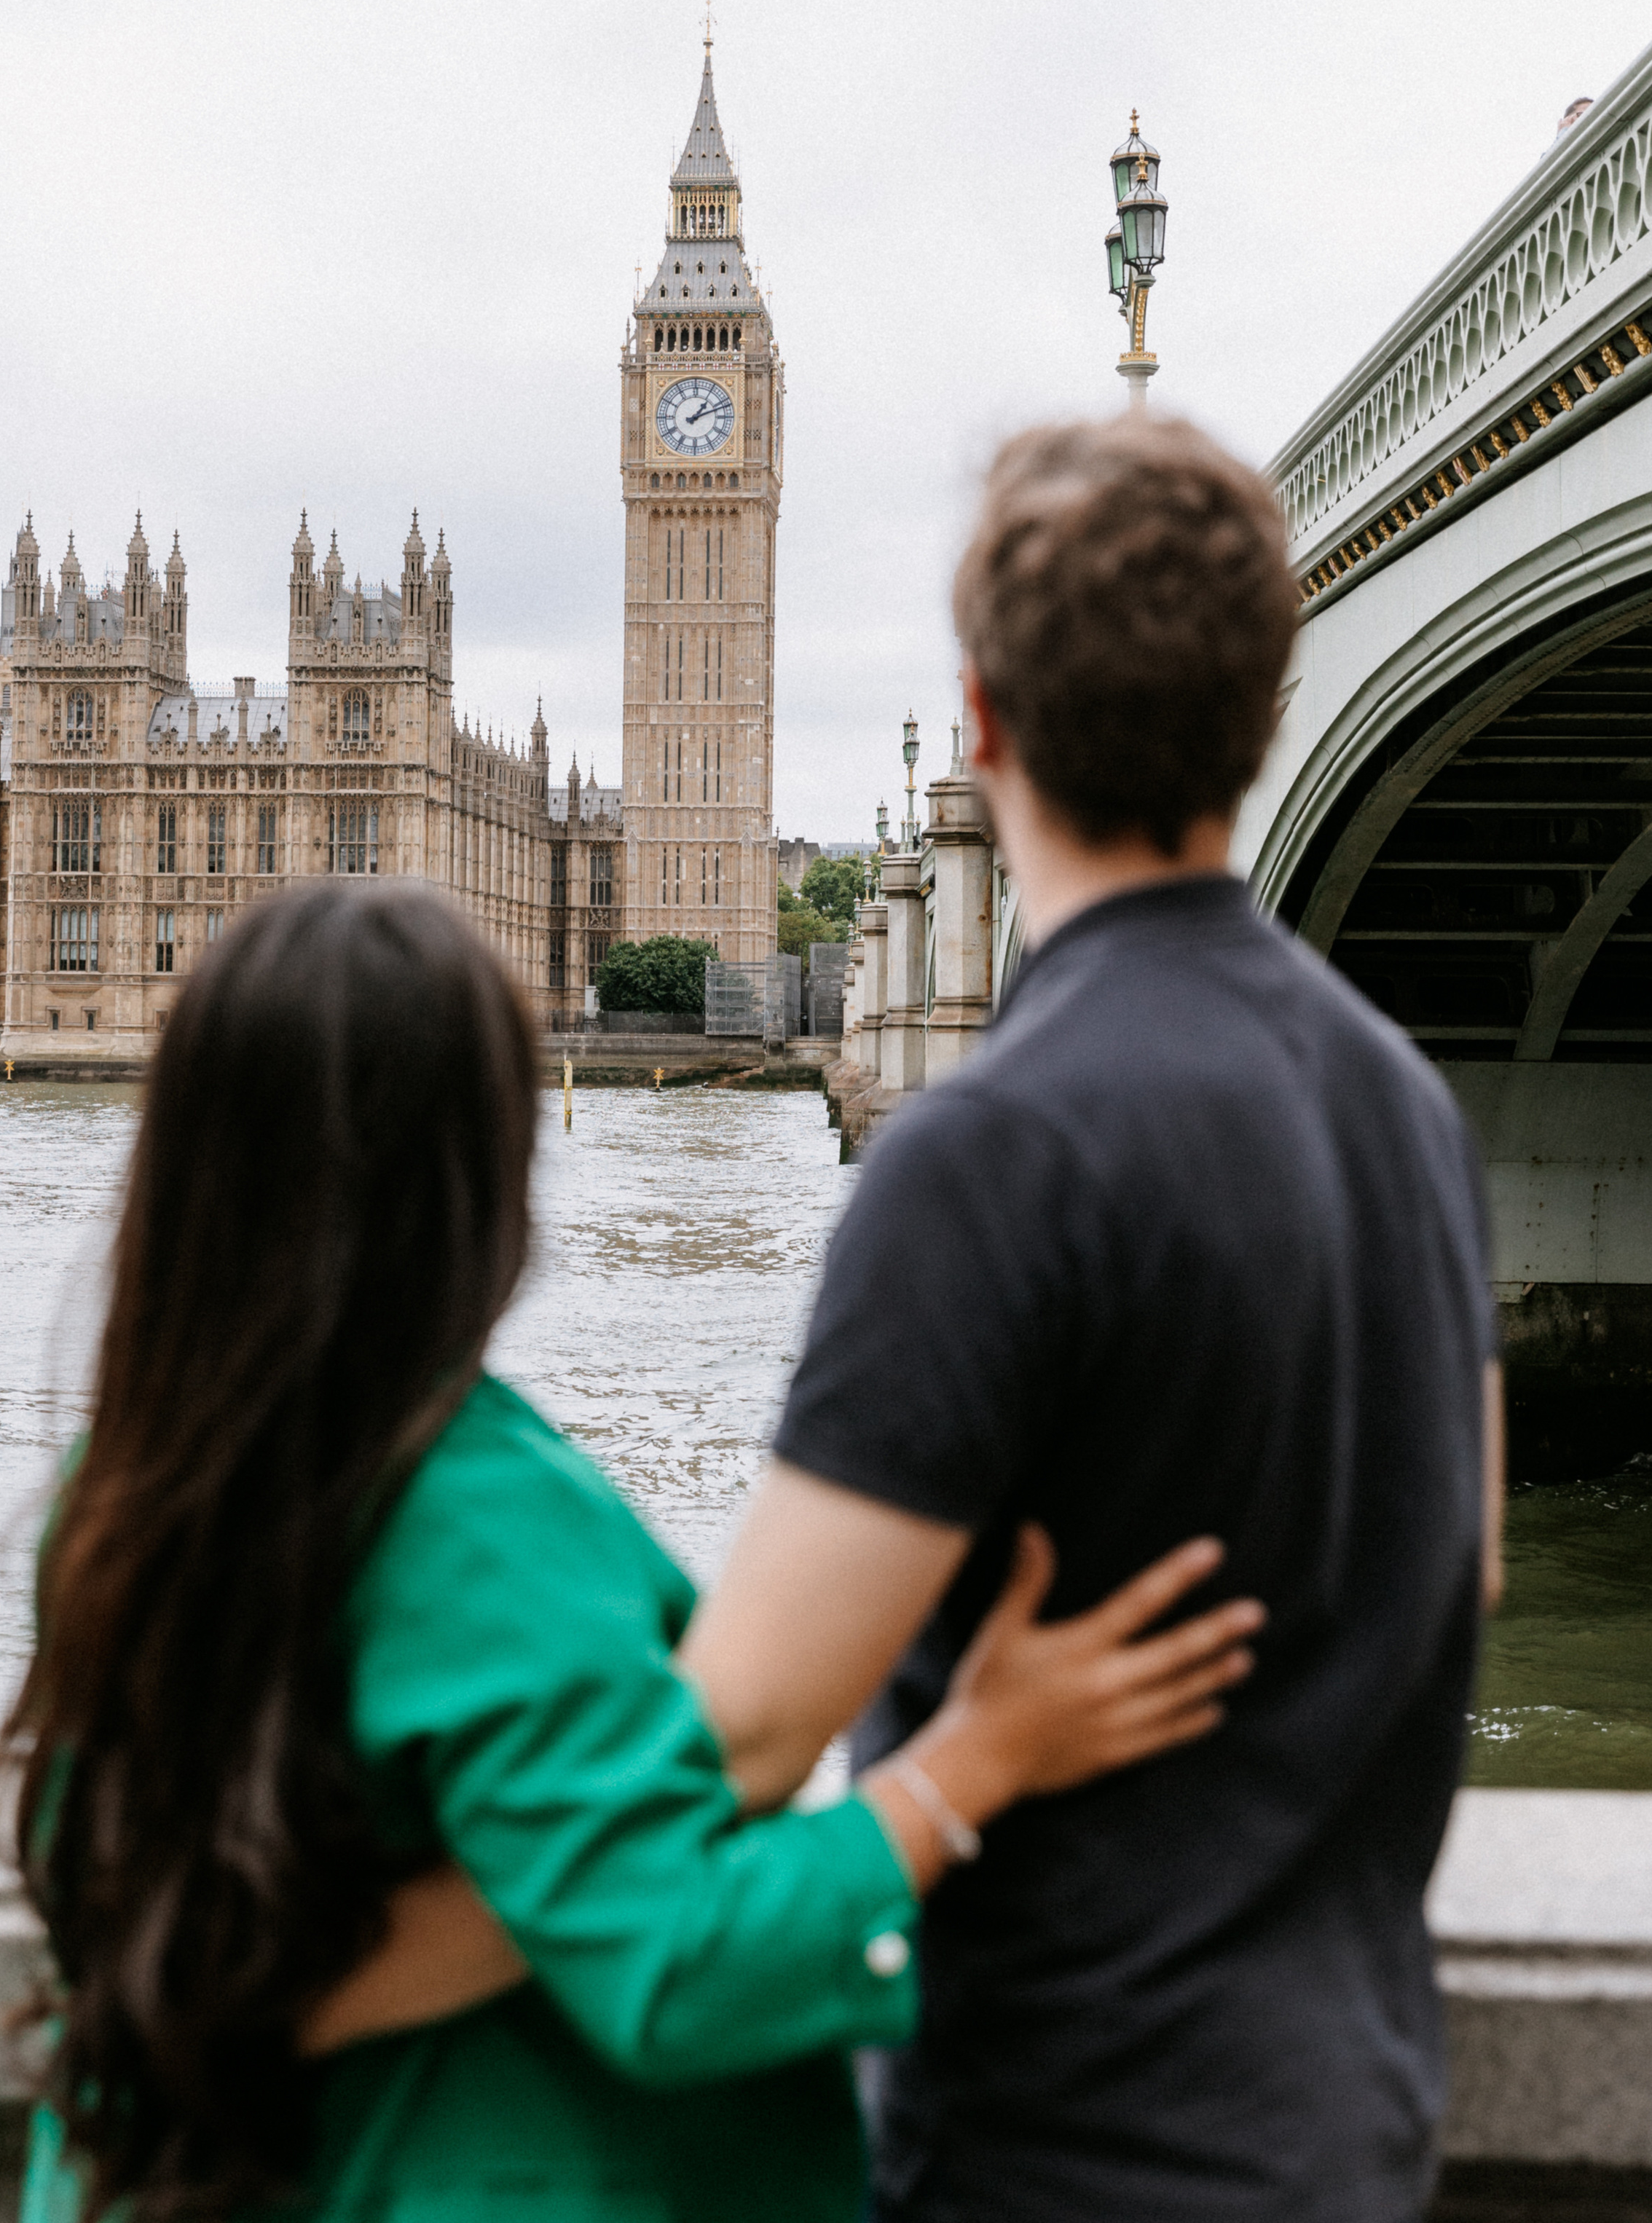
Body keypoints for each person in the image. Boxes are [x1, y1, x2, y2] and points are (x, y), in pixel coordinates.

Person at [318, 417, 1499, 2223]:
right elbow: (1460, 1568)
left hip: (1058, 2150)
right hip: (1347, 2127)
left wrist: (299, 1981)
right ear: (1263, 721)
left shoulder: (991, 1152)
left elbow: (737, 1741)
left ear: (981, 723)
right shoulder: (1411, 1112)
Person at [3, 878, 1263, 2223]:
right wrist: (978, 1760)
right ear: (480, 1172)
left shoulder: (122, 1485)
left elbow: (184, 1925)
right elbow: (675, 1967)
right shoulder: (466, 1506)